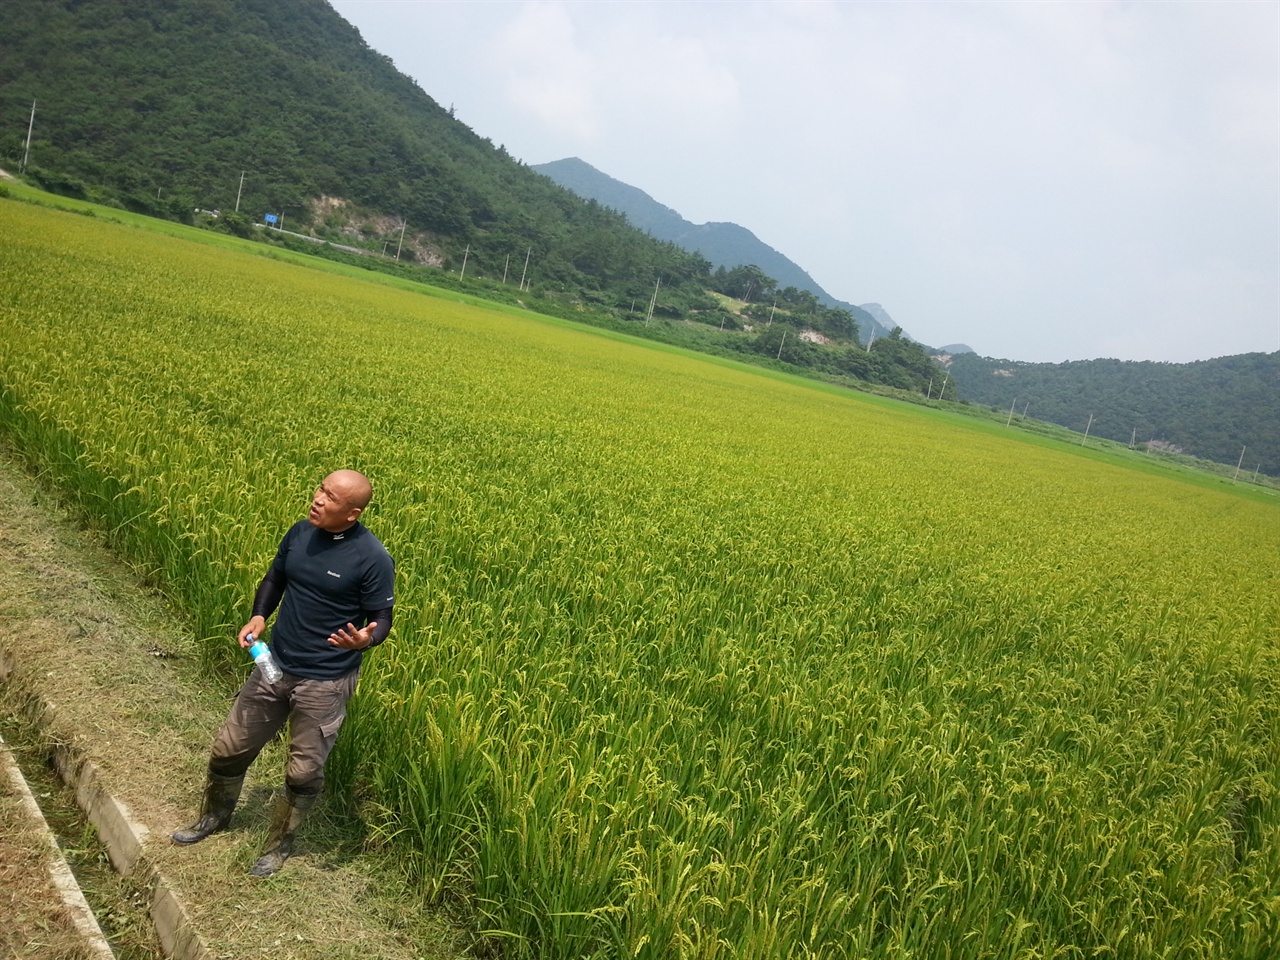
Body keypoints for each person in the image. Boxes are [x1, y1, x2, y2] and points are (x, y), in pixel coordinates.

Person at [172, 469, 395, 877]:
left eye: (331, 497)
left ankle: (278, 845)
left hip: (324, 680)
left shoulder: (372, 558)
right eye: (320, 489)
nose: (318, 499)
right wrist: (259, 616)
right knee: (229, 748)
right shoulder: (299, 533)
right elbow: (275, 576)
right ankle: (213, 817)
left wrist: (367, 639)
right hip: (274, 664)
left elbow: (382, 616)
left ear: (353, 513)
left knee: (303, 770)